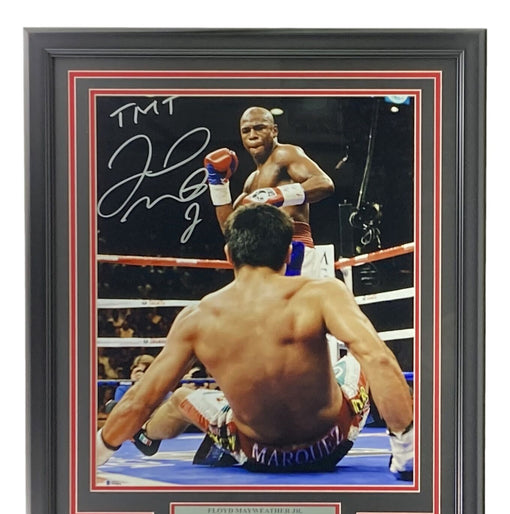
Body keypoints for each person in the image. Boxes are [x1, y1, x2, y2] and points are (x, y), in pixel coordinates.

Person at [96, 204, 414, 479]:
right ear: (288, 253)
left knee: (182, 397)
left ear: (228, 255)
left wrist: (92, 457)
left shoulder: (197, 318)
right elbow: (378, 359)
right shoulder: (322, 294)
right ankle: (405, 449)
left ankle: (146, 436)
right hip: (332, 441)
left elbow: (140, 399)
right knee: (363, 355)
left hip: (259, 455)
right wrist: (407, 454)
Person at [204, 106, 335, 277]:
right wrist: (218, 185)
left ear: (274, 131)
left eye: (259, 128)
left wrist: (274, 195)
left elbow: (324, 183)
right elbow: (230, 229)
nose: (252, 135)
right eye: (246, 131)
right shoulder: (251, 181)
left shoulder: (285, 153)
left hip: (293, 247)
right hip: (262, 255)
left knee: (295, 296)